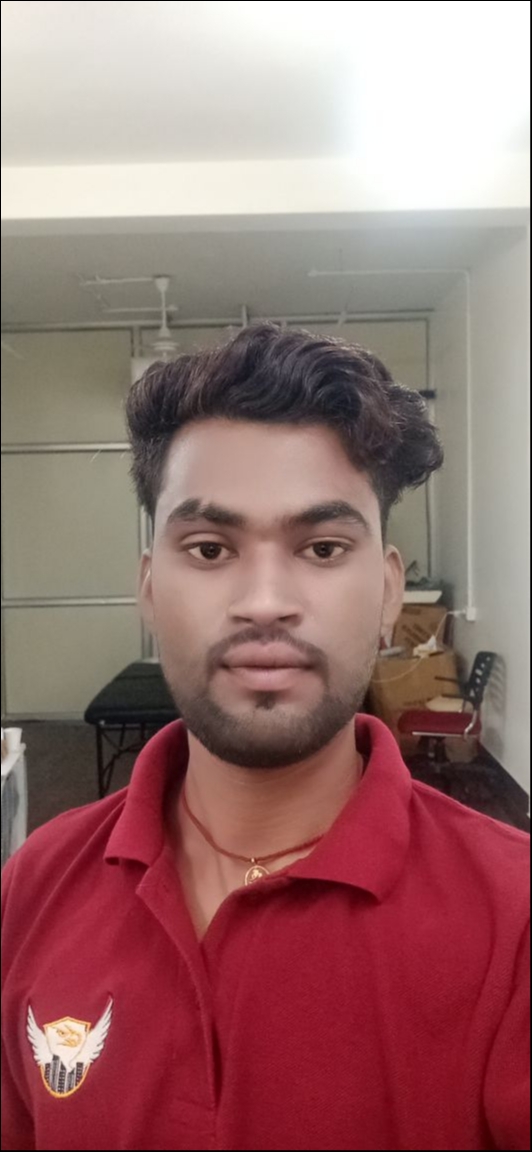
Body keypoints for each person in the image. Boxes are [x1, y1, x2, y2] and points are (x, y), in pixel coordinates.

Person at [1, 323, 529, 1152]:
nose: (264, 602)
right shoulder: (33, 888)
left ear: (388, 590)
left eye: (322, 547)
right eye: (210, 548)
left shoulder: (515, 918)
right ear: (150, 588)